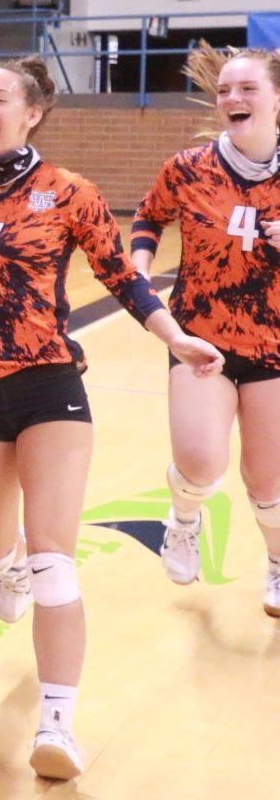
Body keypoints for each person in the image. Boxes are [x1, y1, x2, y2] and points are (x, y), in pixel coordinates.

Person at [0, 56, 223, 780]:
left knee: (53, 558)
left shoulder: (70, 192)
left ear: (32, 111)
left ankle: (58, 721)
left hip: (49, 385)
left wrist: (174, 336)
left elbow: (121, 274)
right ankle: (1, 570)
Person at [133, 44, 280, 616]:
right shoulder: (188, 167)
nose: (231, 99)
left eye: (246, 89)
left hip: (273, 344)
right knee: (200, 463)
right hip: (201, 337)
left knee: (267, 480)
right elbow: (148, 216)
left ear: (276, 100)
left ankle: (275, 566)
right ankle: (183, 520)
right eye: (224, 90)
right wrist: (140, 269)